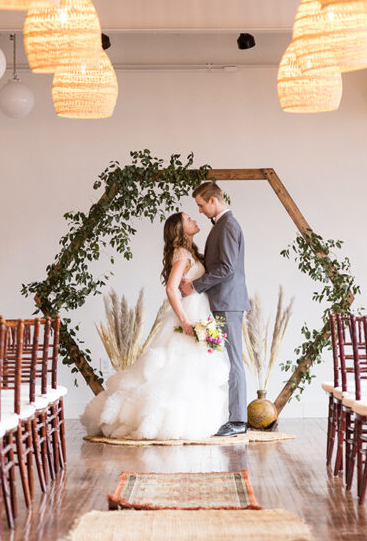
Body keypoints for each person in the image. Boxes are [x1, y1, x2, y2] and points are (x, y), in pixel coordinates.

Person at [81, 211, 228, 441]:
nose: (194, 220)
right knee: (179, 366)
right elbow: (171, 288)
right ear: (180, 229)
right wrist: (185, 320)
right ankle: (159, 419)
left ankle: (195, 419)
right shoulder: (181, 253)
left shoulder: (189, 251)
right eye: (189, 219)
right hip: (189, 312)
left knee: (196, 366)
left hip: (201, 309)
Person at [180, 181, 250, 437]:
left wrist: (196, 286)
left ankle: (239, 421)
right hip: (222, 302)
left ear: (212, 200)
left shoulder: (228, 225)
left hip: (229, 303)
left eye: (200, 204)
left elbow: (227, 268)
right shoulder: (222, 226)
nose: (199, 211)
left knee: (233, 363)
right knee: (226, 361)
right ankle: (231, 417)